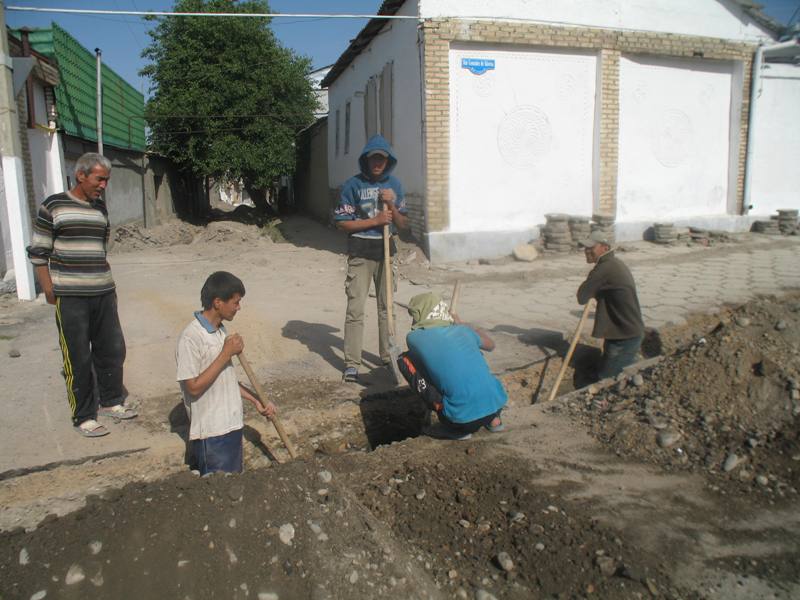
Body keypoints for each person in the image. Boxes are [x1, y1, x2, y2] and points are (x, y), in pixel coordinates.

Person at [27, 152, 136, 438]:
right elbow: (39, 252)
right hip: (71, 296)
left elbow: (100, 247)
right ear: (81, 175)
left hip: (103, 291)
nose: (103, 186)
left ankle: (111, 401)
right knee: (78, 357)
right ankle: (84, 415)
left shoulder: (100, 209)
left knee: (112, 350)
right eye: (100, 179)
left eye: (107, 180)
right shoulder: (53, 206)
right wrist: (50, 288)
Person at [176, 271, 277, 476]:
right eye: (236, 302)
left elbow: (225, 378)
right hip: (212, 433)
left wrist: (255, 400)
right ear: (217, 302)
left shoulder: (220, 331)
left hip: (231, 427)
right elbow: (193, 387)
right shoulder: (191, 338)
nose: (239, 307)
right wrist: (226, 353)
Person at [334, 134, 409, 383]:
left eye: (382, 159)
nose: (378, 163)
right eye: (374, 158)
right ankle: (352, 363)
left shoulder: (394, 186)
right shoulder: (352, 186)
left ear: (388, 161)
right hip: (360, 252)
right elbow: (343, 223)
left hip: (386, 250)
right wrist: (375, 221)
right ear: (366, 160)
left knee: (387, 308)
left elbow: (403, 224)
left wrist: (392, 205)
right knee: (355, 309)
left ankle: (388, 356)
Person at [397, 292, 507, 441]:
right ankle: (494, 421)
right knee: (470, 354)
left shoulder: (414, 338)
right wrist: (462, 324)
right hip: (496, 404)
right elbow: (491, 345)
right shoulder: (464, 331)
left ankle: (455, 430)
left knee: (404, 360)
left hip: (462, 421)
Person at [577, 230, 645, 380]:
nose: (587, 251)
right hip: (622, 332)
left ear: (605, 248)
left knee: (606, 379)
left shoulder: (605, 268)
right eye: (586, 248)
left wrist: (593, 278)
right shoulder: (613, 264)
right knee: (611, 370)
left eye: (591, 247)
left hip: (625, 337)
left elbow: (582, 296)